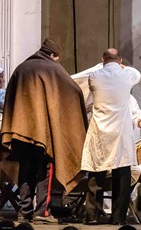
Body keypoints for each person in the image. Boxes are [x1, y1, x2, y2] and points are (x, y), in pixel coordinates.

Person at [0, 38, 88, 224]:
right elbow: (74, 91)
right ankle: (42, 213)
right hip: (43, 135)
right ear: (53, 55)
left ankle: (24, 212)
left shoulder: (21, 68)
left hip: (20, 131)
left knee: (25, 171)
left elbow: (9, 98)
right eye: (57, 57)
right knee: (45, 172)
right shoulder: (54, 69)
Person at [81, 48, 141, 225]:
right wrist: (121, 66)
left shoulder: (94, 76)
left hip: (100, 130)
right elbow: (135, 73)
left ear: (102, 60)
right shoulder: (128, 75)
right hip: (120, 132)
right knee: (122, 174)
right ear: (120, 60)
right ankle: (118, 217)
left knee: (96, 173)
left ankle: (92, 216)